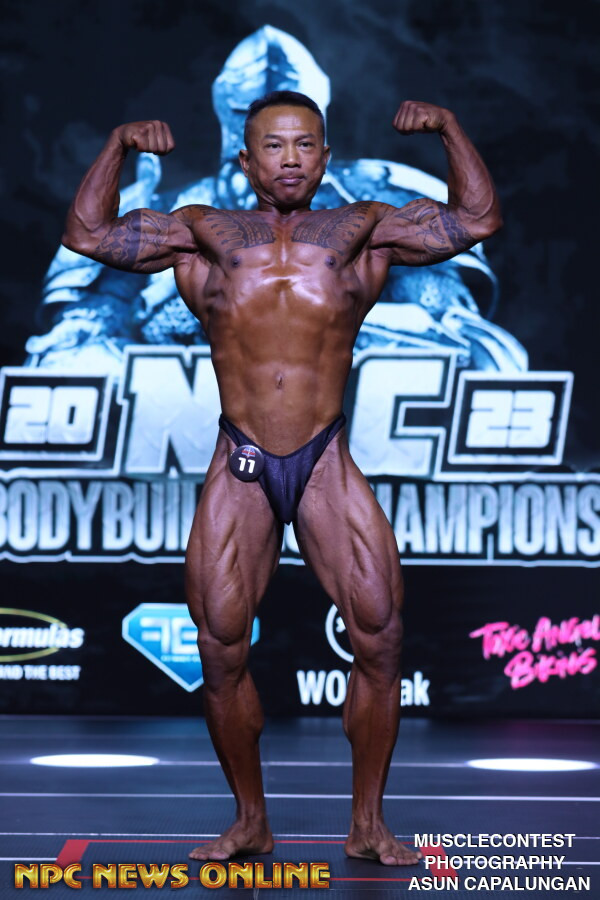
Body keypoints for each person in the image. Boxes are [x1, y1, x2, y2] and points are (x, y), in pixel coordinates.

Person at [62, 90, 502, 866]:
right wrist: (119, 143)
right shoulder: (204, 232)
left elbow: (476, 219)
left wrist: (449, 127)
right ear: (246, 159)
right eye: (273, 145)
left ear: (325, 157)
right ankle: (250, 821)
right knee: (221, 648)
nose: (290, 158)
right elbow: (88, 234)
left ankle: (368, 825)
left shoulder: (362, 229)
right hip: (242, 461)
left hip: (325, 456)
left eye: (304, 145)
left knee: (381, 637)